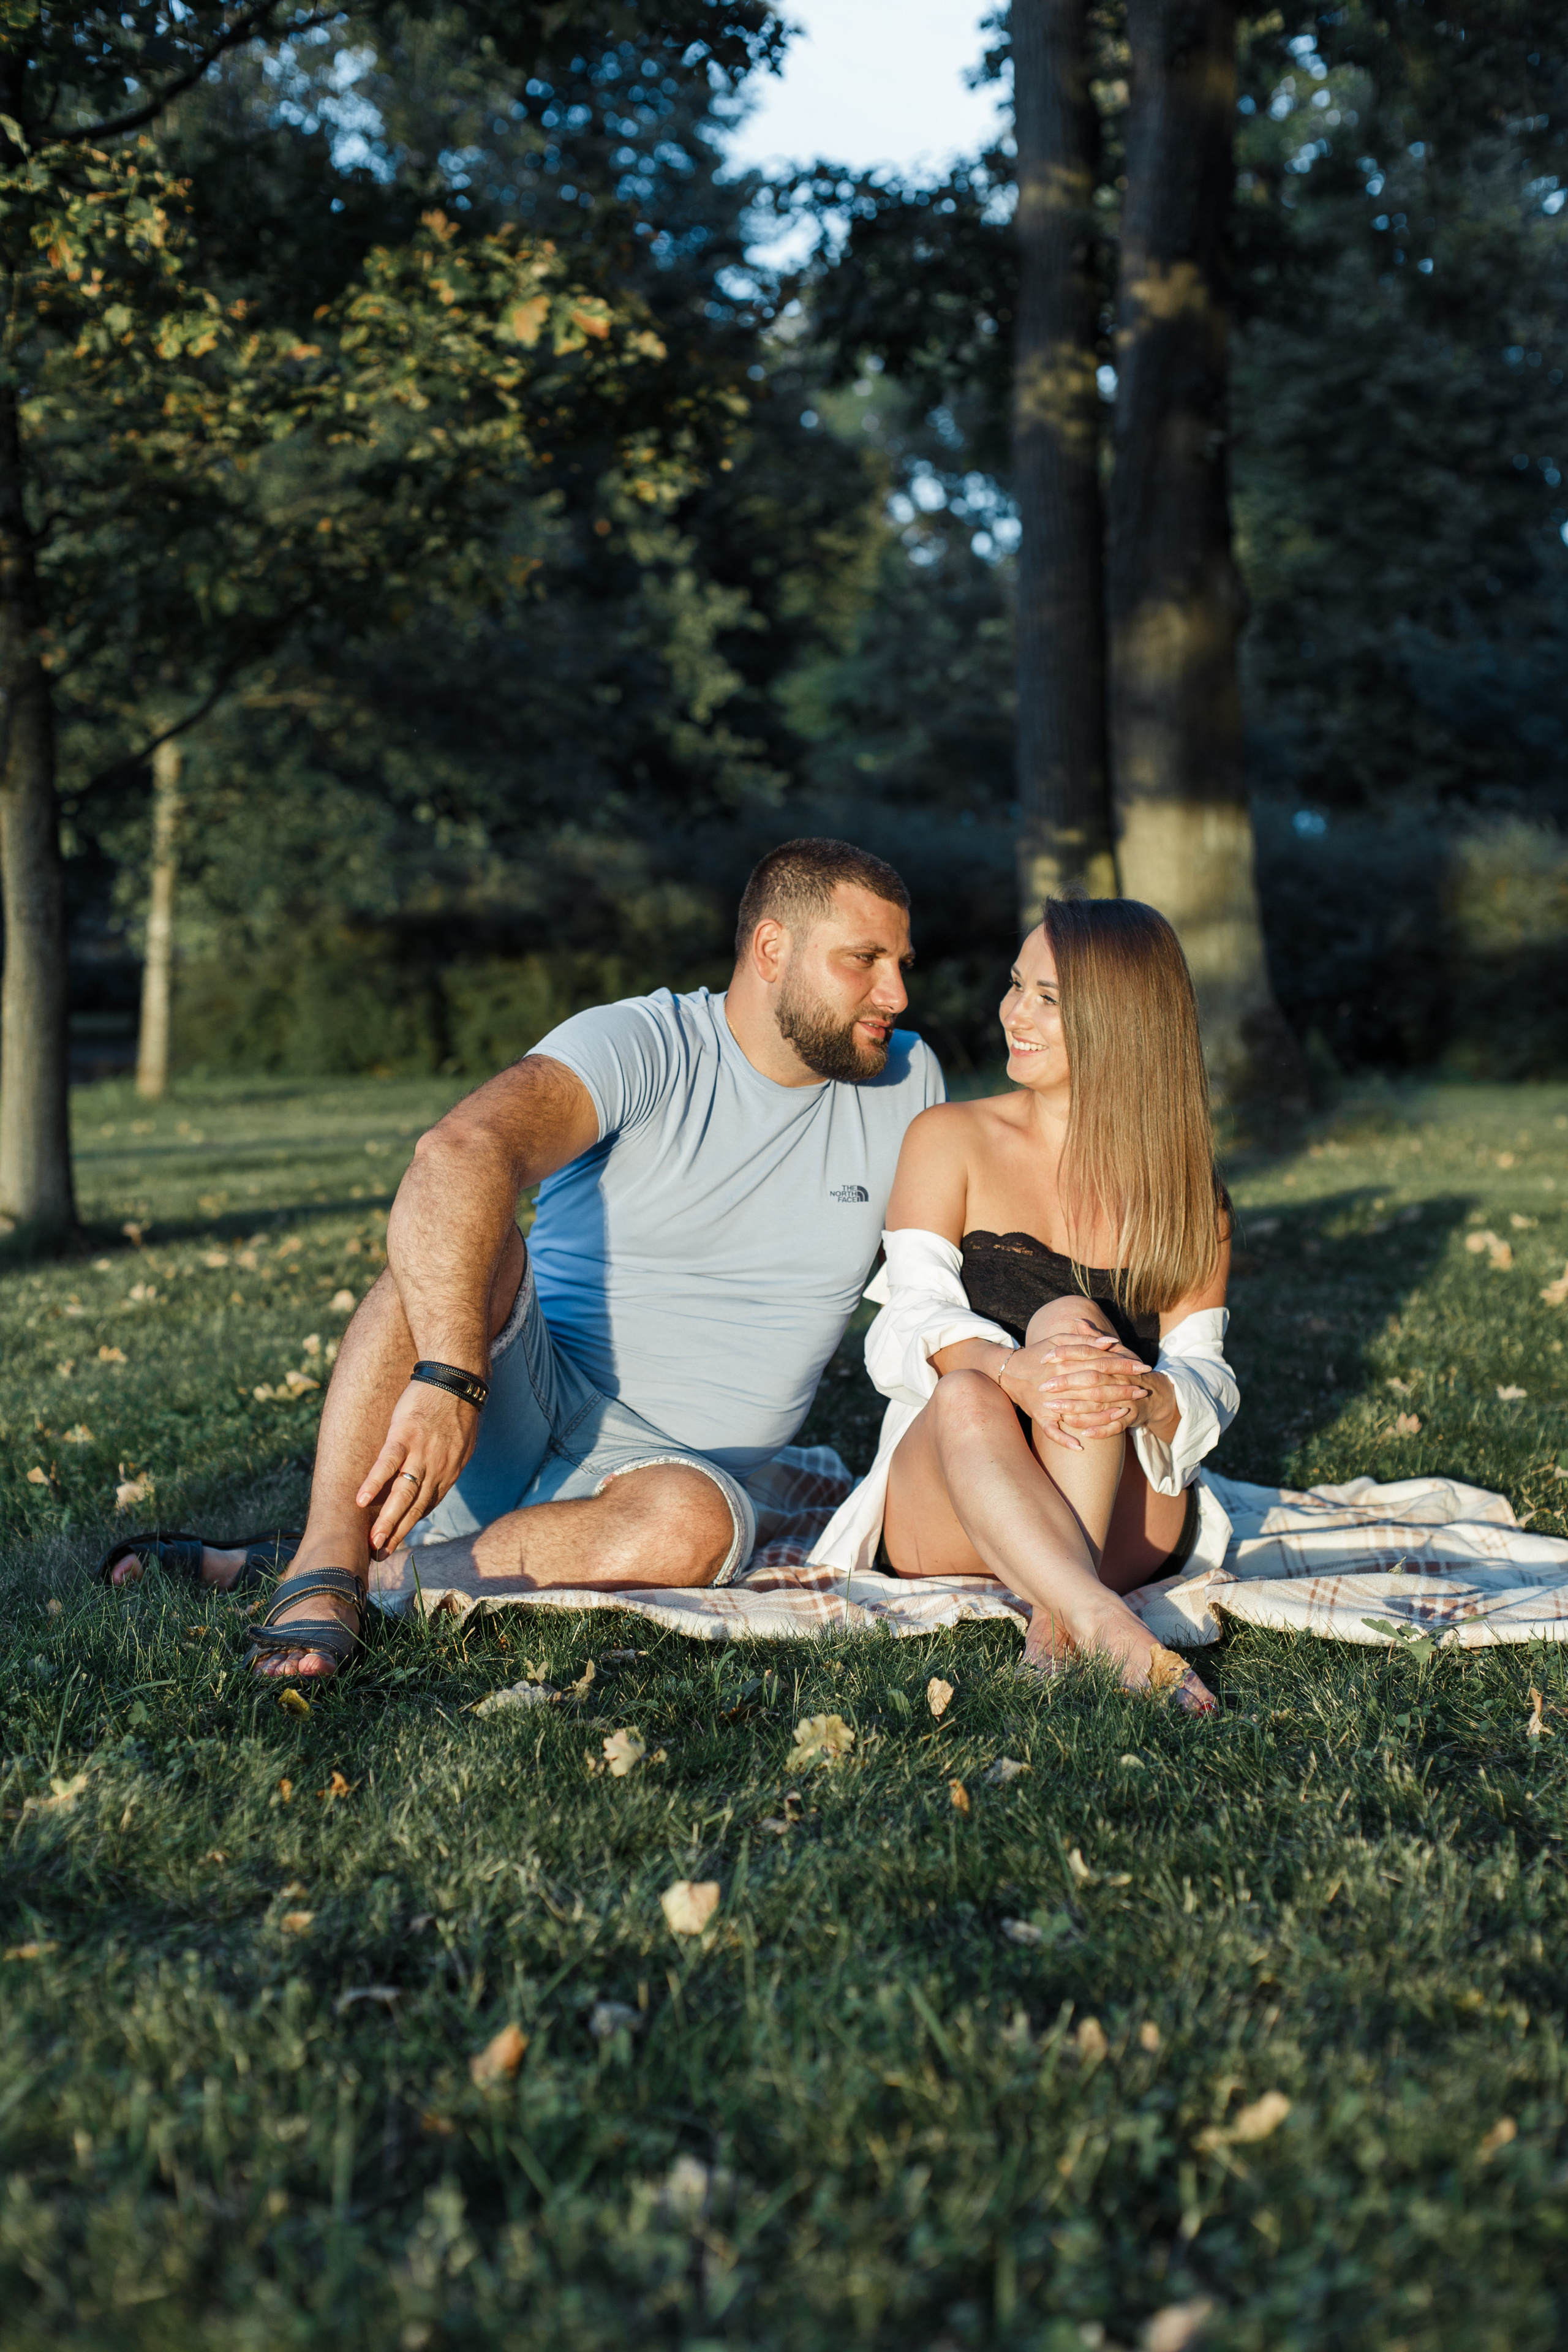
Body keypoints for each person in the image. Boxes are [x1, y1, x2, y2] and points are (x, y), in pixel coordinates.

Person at [100, 839, 944, 1676]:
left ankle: (368, 1574)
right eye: (864, 959)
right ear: (771, 949)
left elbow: (965, 1245)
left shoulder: (910, 1083)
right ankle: (322, 1558)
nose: (896, 992)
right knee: (459, 1237)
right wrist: (451, 1378)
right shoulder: (645, 1043)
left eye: (902, 962)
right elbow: (462, 1149)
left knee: (700, 1527)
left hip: (665, 1480)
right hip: (519, 1398)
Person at [810, 895, 1238, 1712]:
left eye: (1049, 998)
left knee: (1073, 1327)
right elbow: (904, 1325)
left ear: (1123, 1023)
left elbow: (1208, 1378)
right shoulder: (951, 1139)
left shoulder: (1190, 1197)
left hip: (1125, 1513)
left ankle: (1061, 1619)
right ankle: (1100, 1627)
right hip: (955, 1497)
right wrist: (1016, 1372)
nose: (1014, 1012)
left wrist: (1143, 1392)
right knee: (972, 1386)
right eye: (1017, 985)